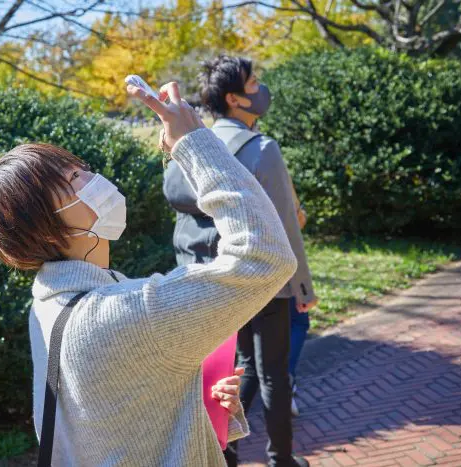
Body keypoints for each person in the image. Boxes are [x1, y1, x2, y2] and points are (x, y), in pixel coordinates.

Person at [0, 82, 297, 465]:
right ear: (46, 230)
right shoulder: (126, 313)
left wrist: (193, 398)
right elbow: (265, 256)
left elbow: (112, 426)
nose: (93, 179)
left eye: (83, 170)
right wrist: (193, 142)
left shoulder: (48, 305)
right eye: (74, 180)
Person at [162, 55, 317, 467]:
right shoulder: (261, 149)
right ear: (234, 99)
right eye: (252, 83)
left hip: (210, 279)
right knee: (273, 372)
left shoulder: (190, 147)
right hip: (262, 277)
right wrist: (302, 286)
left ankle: (222, 452)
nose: (260, 89)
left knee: (231, 369)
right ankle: (281, 458)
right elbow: (285, 225)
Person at [289, 185, 310, 417]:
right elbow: (298, 221)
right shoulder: (275, 171)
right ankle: (286, 380)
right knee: (299, 321)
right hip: (284, 261)